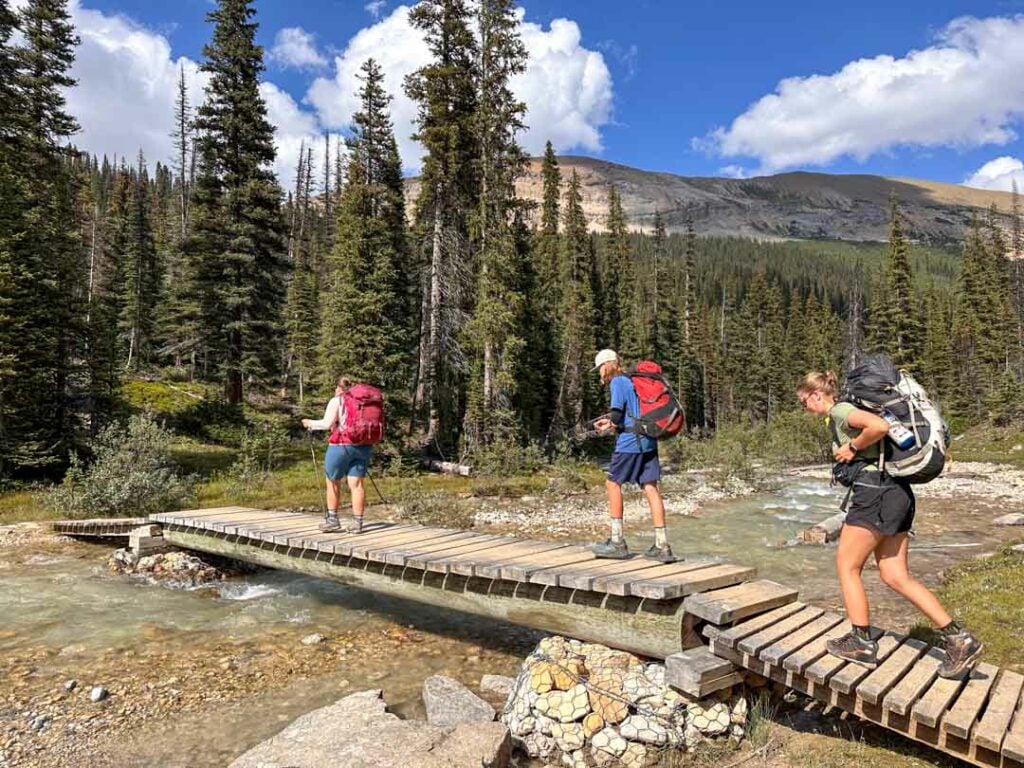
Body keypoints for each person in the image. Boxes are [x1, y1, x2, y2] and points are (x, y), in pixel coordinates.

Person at [797, 371, 982, 678]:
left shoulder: (841, 410)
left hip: (875, 496)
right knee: (895, 576)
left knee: (847, 567)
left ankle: (861, 642)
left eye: (804, 402)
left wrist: (853, 448)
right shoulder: (843, 414)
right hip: (897, 494)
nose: (805, 408)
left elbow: (879, 427)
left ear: (817, 395)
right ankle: (960, 639)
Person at [590, 349, 677, 563]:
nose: (600, 373)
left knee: (613, 484)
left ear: (608, 364)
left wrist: (608, 424)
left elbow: (619, 416)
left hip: (630, 443)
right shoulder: (634, 380)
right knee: (650, 487)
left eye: (600, 368)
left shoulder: (618, 382)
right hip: (649, 440)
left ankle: (617, 541)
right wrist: (612, 422)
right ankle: (662, 545)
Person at [301, 376, 373, 533]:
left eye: (335, 387)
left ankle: (333, 520)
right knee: (357, 484)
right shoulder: (365, 402)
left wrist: (310, 423)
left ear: (339, 388)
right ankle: (358, 523)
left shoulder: (337, 400)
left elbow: (327, 424)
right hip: (364, 447)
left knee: (332, 481)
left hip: (340, 446)